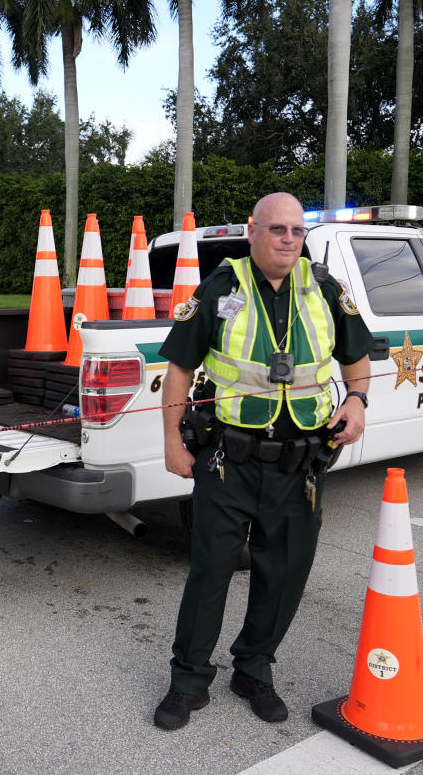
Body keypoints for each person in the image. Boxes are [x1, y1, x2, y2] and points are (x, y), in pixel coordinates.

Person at [153, 192, 374, 730]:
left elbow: (358, 358)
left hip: (299, 467)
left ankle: (254, 669)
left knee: (284, 573)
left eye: (297, 231)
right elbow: (179, 371)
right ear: (252, 232)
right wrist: (171, 442)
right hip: (229, 460)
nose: (288, 240)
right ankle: (188, 681)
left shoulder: (324, 289)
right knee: (210, 573)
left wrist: (357, 401)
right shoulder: (219, 287)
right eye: (277, 230)